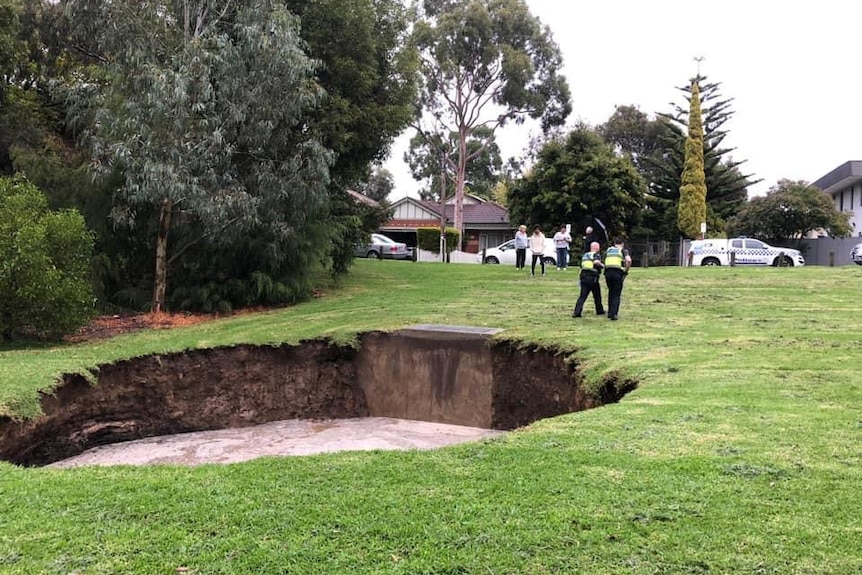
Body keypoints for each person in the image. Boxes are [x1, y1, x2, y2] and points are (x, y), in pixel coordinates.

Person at [572, 241, 605, 317]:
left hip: (583, 276)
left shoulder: (585, 255)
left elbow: (581, 266)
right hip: (592, 277)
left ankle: (577, 312)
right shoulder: (595, 254)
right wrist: (603, 266)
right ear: (596, 248)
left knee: (582, 296)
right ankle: (599, 310)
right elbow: (596, 262)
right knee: (597, 295)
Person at [604, 236, 632, 321]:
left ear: (614, 243)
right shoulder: (623, 250)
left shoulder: (609, 250)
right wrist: (626, 270)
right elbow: (629, 260)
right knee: (616, 294)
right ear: (622, 243)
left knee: (611, 292)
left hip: (607, 272)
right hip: (617, 272)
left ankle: (609, 312)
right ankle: (614, 313)